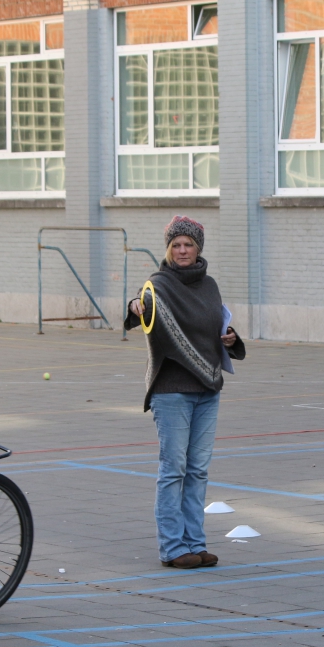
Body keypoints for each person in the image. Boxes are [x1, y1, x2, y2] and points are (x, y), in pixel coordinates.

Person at [126, 216, 245, 570]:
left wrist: (231, 339)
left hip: (207, 387)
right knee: (174, 469)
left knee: (198, 471)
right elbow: (140, 308)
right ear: (168, 248)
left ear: (198, 249)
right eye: (176, 244)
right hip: (171, 389)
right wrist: (135, 305)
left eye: (188, 245)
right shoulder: (158, 284)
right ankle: (173, 548)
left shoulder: (209, 286)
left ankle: (195, 543)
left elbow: (216, 325)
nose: (182, 250)